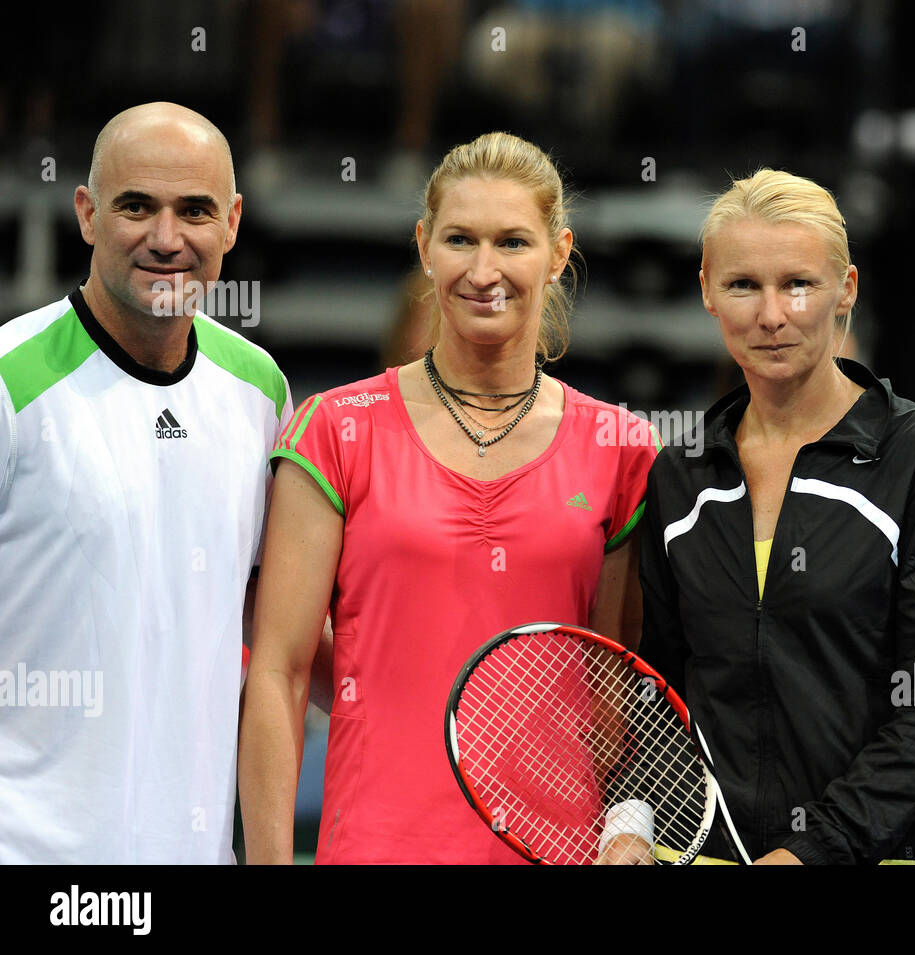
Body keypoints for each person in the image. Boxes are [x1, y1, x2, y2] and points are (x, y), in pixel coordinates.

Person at [238, 131, 657, 864]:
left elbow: (614, 702)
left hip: (553, 851)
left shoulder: (623, 450)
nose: (484, 269)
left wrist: (628, 827)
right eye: (461, 239)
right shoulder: (333, 430)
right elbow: (279, 671)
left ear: (559, 254)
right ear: (425, 245)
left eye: (513, 242)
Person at [635, 169, 915, 864]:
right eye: (742, 285)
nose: (771, 315)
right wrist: (635, 821)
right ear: (706, 289)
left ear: (845, 288)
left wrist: (811, 851)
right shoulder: (681, 470)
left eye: (798, 284)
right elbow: (658, 686)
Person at [0, 103, 291, 863]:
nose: (167, 239)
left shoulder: (260, 389)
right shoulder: (7, 380)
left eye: (194, 210)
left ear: (231, 222)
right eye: (137, 207)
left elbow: (279, 626)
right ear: (87, 214)